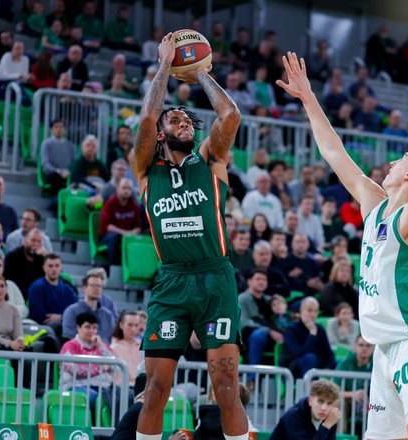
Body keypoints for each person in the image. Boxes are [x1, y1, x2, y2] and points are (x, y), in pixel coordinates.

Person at [277, 51, 408, 439]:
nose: (391, 162)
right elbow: (333, 152)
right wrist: (309, 99)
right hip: (384, 349)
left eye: (402, 157)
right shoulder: (375, 204)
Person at [131, 32, 248, 440]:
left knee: (226, 388)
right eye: (175, 120)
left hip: (216, 278)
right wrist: (166, 64)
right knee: (155, 389)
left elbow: (230, 115)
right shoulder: (147, 169)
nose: (184, 123)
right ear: (161, 136)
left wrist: (199, 72)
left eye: (187, 120)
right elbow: (147, 119)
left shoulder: (211, 159)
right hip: (172, 280)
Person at [60, 311, 116, 416]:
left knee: (120, 396)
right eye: (87, 327)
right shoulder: (69, 346)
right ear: (78, 328)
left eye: (94, 328)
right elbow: (76, 370)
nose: (91, 331)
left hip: (103, 388)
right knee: (94, 397)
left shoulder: (101, 346)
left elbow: (114, 366)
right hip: (74, 387)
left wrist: (101, 348)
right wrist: (102, 368)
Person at [280, 297, 335, 378]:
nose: (313, 314)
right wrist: (312, 334)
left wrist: (328, 367)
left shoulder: (319, 328)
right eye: (309, 310)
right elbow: (299, 354)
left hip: (317, 368)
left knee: (341, 362)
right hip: (294, 370)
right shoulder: (291, 329)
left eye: (315, 311)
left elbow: (329, 353)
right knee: (310, 358)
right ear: (301, 311)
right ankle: (308, 389)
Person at [239, 269, 283, 367]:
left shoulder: (269, 300)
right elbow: (244, 322)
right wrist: (269, 331)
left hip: (270, 337)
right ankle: (253, 376)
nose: (261, 282)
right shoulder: (242, 299)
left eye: (264, 280)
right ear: (249, 281)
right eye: (258, 279)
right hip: (247, 338)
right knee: (259, 334)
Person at [270, 379, 341, 440]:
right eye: (320, 402)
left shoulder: (330, 418)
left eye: (329, 404)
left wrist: (328, 424)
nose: (324, 408)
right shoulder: (292, 417)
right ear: (310, 401)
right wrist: (326, 426)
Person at [27, 253, 77, 331]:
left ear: (61, 267)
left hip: (66, 326)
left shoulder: (68, 289)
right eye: (50, 266)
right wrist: (63, 318)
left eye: (57, 266)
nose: (54, 269)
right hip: (42, 329)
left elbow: (75, 312)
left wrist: (60, 317)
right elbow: (38, 315)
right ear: (44, 268)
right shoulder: (36, 287)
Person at [99, 178, 142, 266]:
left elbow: (138, 226)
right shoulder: (109, 204)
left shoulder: (135, 206)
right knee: (114, 237)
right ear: (118, 188)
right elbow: (108, 227)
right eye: (124, 188)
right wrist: (126, 233)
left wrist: (135, 231)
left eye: (129, 188)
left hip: (127, 236)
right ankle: (113, 267)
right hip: (107, 237)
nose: (126, 191)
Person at [63, 272, 115, 344]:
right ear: (84, 288)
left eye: (99, 286)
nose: (97, 289)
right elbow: (69, 337)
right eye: (93, 286)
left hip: (104, 353)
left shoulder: (108, 315)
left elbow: (113, 340)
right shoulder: (71, 311)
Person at [4, 229, 46, 299]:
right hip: (16, 295)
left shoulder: (42, 259)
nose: (36, 244)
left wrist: (46, 257)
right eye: (33, 240)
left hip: (37, 295)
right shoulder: (12, 257)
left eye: (39, 241)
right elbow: (9, 283)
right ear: (24, 241)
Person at [110, 310, 142, 387]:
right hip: (122, 388)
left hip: (142, 388)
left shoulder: (143, 346)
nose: (133, 329)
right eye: (130, 325)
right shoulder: (113, 348)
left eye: (136, 325)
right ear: (121, 325)